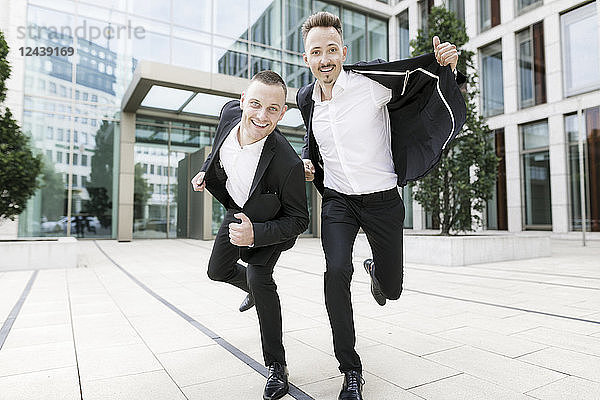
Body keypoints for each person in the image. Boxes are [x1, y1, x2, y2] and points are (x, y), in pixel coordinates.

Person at [296, 12, 466, 400]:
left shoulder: (370, 84)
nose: (325, 59)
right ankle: (350, 370)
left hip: (382, 199)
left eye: (332, 50)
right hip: (338, 200)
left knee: (392, 289)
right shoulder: (306, 98)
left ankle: (377, 271)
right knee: (335, 271)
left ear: (344, 51)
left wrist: (446, 68)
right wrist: (308, 159)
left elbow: (421, 86)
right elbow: (313, 138)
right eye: (316, 52)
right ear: (305, 58)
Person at [190, 71, 309, 400]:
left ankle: (276, 367)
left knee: (259, 277)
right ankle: (251, 290)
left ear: (282, 113)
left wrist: (255, 234)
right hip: (238, 208)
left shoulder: (287, 162)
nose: (261, 115)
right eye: (255, 104)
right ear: (242, 101)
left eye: (273, 109)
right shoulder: (229, 113)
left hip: (270, 222)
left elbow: (299, 219)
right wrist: (204, 170)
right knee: (217, 270)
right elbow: (218, 149)